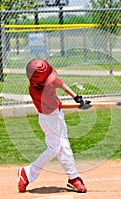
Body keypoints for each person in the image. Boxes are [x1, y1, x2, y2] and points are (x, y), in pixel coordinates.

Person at [18, 58, 92, 193]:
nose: (51, 80)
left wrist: (77, 98)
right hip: (48, 119)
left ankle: (73, 177)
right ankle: (27, 172)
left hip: (57, 115)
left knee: (65, 146)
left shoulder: (47, 78)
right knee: (54, 148)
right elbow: (56, 105)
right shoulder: (37, 91)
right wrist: (79, 106)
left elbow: (61, 84)